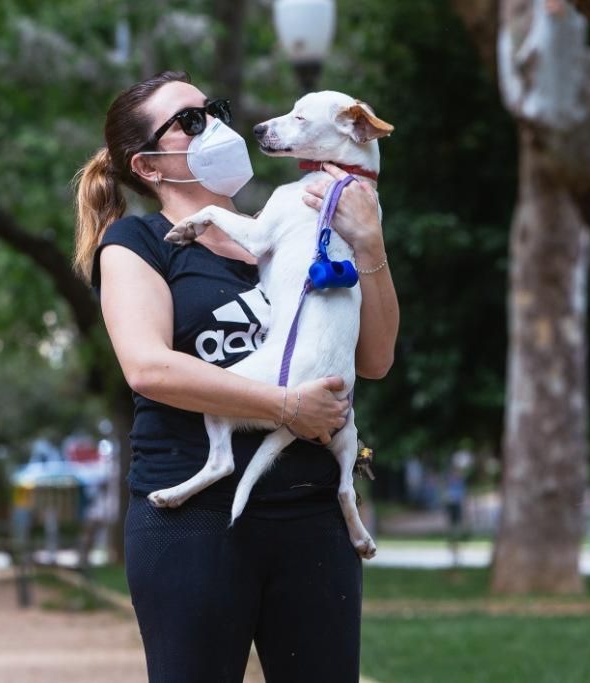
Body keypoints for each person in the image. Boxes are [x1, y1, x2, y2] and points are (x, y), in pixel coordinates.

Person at [72, 71, 399, 682]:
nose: (215, 125)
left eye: (213, 109)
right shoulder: (139, 241)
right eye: (191, 121)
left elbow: (374, 359)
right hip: (195, 519)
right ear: (149, 166)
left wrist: (370, 245)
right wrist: (284, 406)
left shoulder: (294, 225)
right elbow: (149, 368)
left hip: (310, 517)